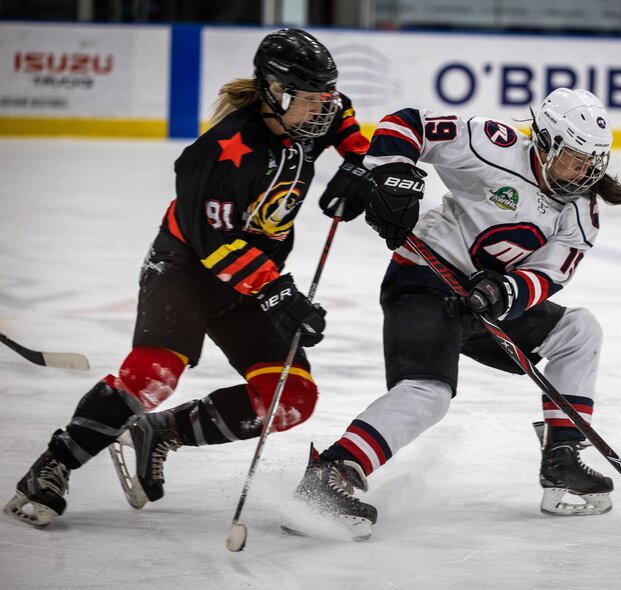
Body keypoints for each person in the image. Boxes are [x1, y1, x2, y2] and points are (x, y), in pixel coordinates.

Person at [3, 28, 375, 527]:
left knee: (291, 398)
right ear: (273, 90)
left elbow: (347, 118)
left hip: (251, 276)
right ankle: (52, 467)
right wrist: (278, 292)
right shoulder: (219, 152)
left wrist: (362, 164)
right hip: (185, 269)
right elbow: (213, 247)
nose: (320, 111)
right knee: (154, 374)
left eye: (322, 100)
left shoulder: (309, 115)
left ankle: (162, 433)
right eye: (308, 101)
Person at [292, 88, 621, 539]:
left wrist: (504, 290)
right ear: (545, 144)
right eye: (574, 158)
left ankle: (562, 455)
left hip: (486, 305)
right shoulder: (496, 145)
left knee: (578, 329)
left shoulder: (583, 211)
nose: (584, 172)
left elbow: (548, 276)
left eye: (593, 162)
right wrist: (391, 172)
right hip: (423, 282)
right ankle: (331, 473)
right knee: (429, 393)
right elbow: (409, 122)